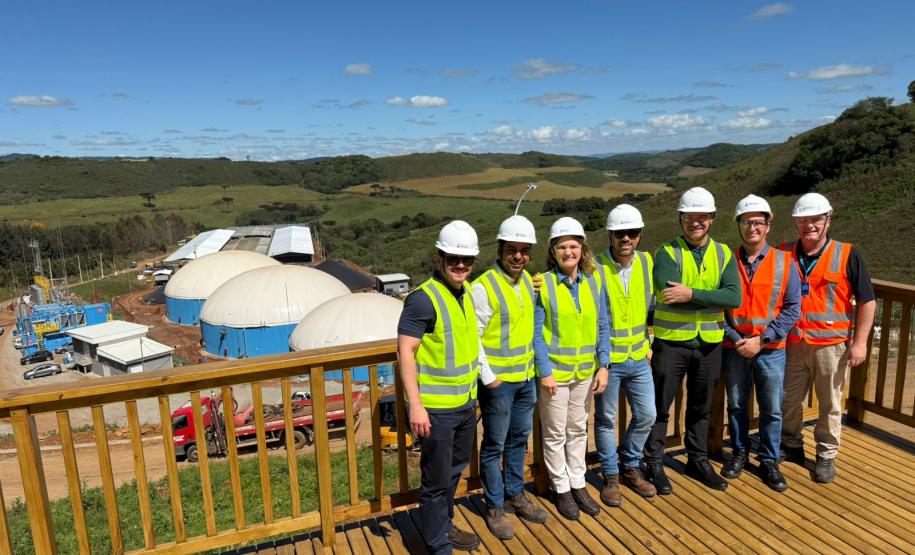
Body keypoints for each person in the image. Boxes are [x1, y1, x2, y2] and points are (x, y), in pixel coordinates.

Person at [645, 186, 742, 494]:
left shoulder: (724, 253)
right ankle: (655, 462)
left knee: (701, 407)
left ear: (712, 219)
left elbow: (734, 296)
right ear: (681, 219)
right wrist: (712, 298)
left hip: (709, 344)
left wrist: (691, 293)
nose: (696, 223)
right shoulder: (666, 253)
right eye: (690, 217)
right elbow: (667, 292)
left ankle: (697, 459)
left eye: (702, 217)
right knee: (660, 407)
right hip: (671, 343)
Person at [396, 220, 482, 553]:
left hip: (464, 405)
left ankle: (444, 527)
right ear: (439, 258)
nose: (460, 265)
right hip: (436, 411)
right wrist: (415, 405)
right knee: (435, 481)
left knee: (453, 472)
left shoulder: (468, 292)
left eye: (467, 260)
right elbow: (405, 351)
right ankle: (436, 544)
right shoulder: (422, 300)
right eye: (453, 259)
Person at [779, 192, 875, 483]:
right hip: (792, 344)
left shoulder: (847, 253)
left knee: (830, 403)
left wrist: (860, 343)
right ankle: (791, 444)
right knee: (788, 400)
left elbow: (867, 300)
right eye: (803, 220)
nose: (810, 225)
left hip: (832, 347)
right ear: (796, 223)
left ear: (827, 220)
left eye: (816, 219)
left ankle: (825, 455)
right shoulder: (783, 253)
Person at [472, 215, 548, 540]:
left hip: (525, 379)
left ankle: (516, 494)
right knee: (494, 445)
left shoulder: (527, 282)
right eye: (512, 250)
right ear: (500, 249)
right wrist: (488, 377)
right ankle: (495, 505)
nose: (518, 256)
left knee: (519, 440)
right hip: (499, 384)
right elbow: (472, 336)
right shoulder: (483, 286)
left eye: (524, 251)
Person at [721, 195, 800, 492]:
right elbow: (719, 308)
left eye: (757, 222)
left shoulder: (784, 262)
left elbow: (793, 307)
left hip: (771, 350)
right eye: (746, 222)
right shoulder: (727, 261)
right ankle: (739, 452)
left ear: (768, 225)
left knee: (772, 409)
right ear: (739, 226)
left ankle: (769, 460)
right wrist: (737, 339)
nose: (752, 227)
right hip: (736, 347)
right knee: (737, 405)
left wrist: (762, 338)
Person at [533, 216, 610, 520]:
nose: (568, 252)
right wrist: (545, 370)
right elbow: (536, 332)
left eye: (573, 246)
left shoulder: (594, 281)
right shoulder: (544, 283)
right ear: (553, 251)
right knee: (554, 433)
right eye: (562, 247)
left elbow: (603, 324)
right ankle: (560, 487)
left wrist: (603, 365)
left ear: (582, 249)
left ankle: (578, 483)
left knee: (578, 429)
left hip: (584, 374)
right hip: (555, 375)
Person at [592, 204, 658, 506]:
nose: (626, 238)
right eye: (620, 233)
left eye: (632, 233)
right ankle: (611, 475)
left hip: (639, 357)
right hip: (609, 361)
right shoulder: (594, 266)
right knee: (606, 419)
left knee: (647, 414)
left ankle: (630, 465)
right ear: (610, 234)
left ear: (640, 235)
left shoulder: (647, 262)